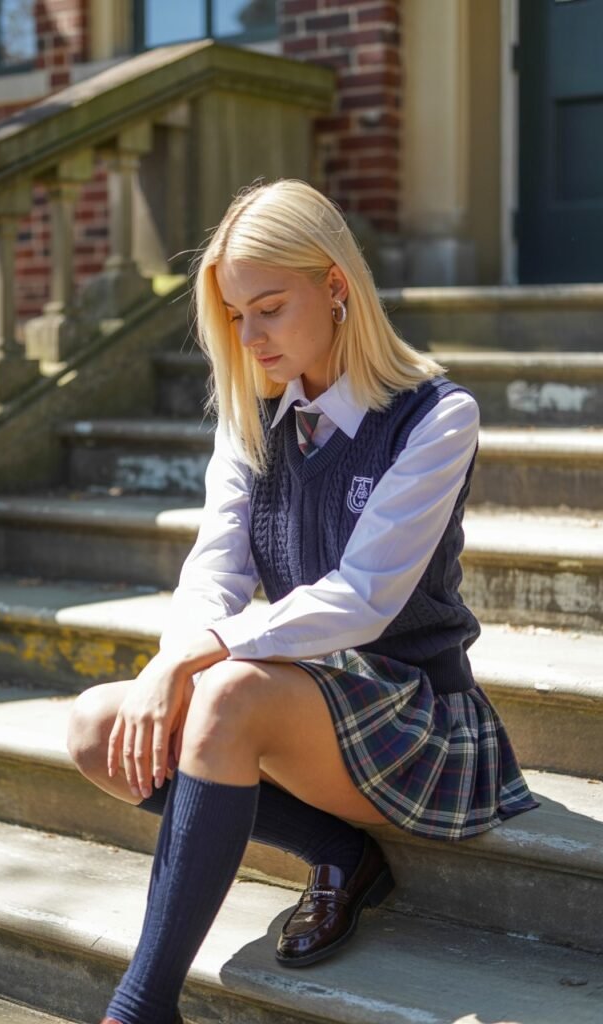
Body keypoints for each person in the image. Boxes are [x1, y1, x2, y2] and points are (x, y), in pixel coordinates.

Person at [66, 179, 539, 1024]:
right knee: (99, 731)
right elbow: (214, 570)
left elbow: (359, 600)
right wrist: (171, 660)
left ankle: (141, 1008)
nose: (251, 339)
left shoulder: (435, 417)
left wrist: (197, 659)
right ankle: (337, 853)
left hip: (417, 713)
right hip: (298, 698)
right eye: (236, 317)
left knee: (226, 694)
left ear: (335, 286)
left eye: (270, 308)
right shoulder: (253, 414)